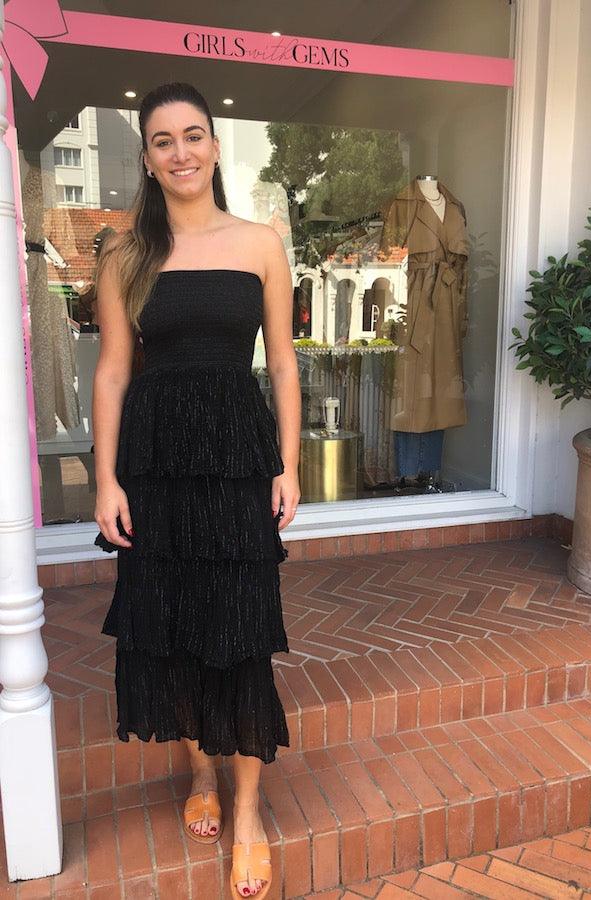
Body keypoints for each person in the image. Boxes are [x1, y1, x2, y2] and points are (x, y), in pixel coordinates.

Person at [92, 82, 301, 900]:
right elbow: (114, 372)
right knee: (175, 624)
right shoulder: (126, 253)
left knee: (241, 629)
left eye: (192, 135)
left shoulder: (260, 243)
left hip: (236, 458)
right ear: (147, 159)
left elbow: (281, 362)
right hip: (157, 463)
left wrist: (286, 464)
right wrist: (106, 478)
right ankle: (201, 774)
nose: (180, 151)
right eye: (162, 140)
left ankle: (247, 813)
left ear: (215, 145)